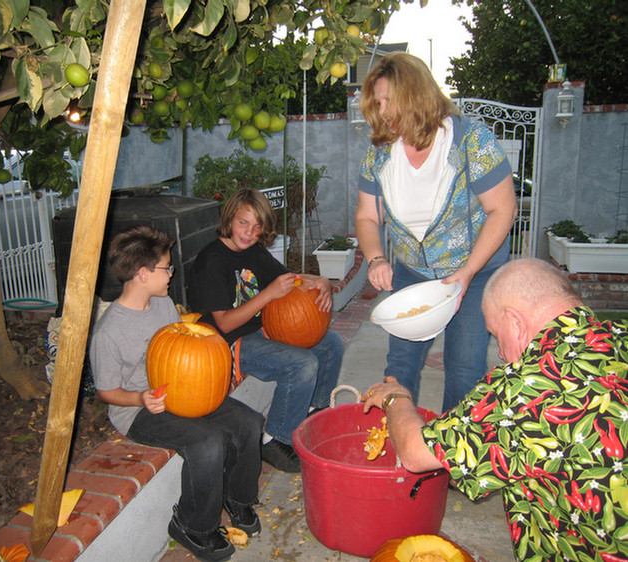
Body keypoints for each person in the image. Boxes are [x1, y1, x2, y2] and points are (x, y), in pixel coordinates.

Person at [361, 258, 628, 562]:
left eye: (495, 334)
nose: (500, 353)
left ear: (514, 321)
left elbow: (415, 452)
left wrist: (396, 397)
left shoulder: (527, 387)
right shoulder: (617, 335)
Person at [354, 52, 518, 413]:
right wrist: (376, 257)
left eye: (388, 101)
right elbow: (367, 217)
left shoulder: (470, 140)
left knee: (464, 370)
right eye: (376, 103)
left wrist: (468, 270)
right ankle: (398, 449)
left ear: (415, 96)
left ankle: (453, 461)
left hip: (474, 273)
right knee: (399, 368)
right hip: (413, 273)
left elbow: (503, 209)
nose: (381, 112)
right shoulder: (379, 155)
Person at [89, 225, 264, 562]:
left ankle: (238, 498)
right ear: (142, 274)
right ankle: (192, 525)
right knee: (207, 442)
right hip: (141, 409)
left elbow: (182, 346)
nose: (171, 274)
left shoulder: (162, 303)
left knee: (248, 421)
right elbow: (107, 391)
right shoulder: (109, 331)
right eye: (166, 268)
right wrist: (140, 399)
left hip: (181, 390)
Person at [188, 187, 344, 473]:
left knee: (330, 343)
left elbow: (290, 279)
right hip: (228, 343)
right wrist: (268, 295)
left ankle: (313, 411)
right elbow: (224, 323)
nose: (249, 232)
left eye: (257, 227)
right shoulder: (212, 261)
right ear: (229, 218)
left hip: (261, 331)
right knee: (303, 364)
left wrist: (320, 279)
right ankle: (275, 438)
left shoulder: (253, 253)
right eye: (242, 223)